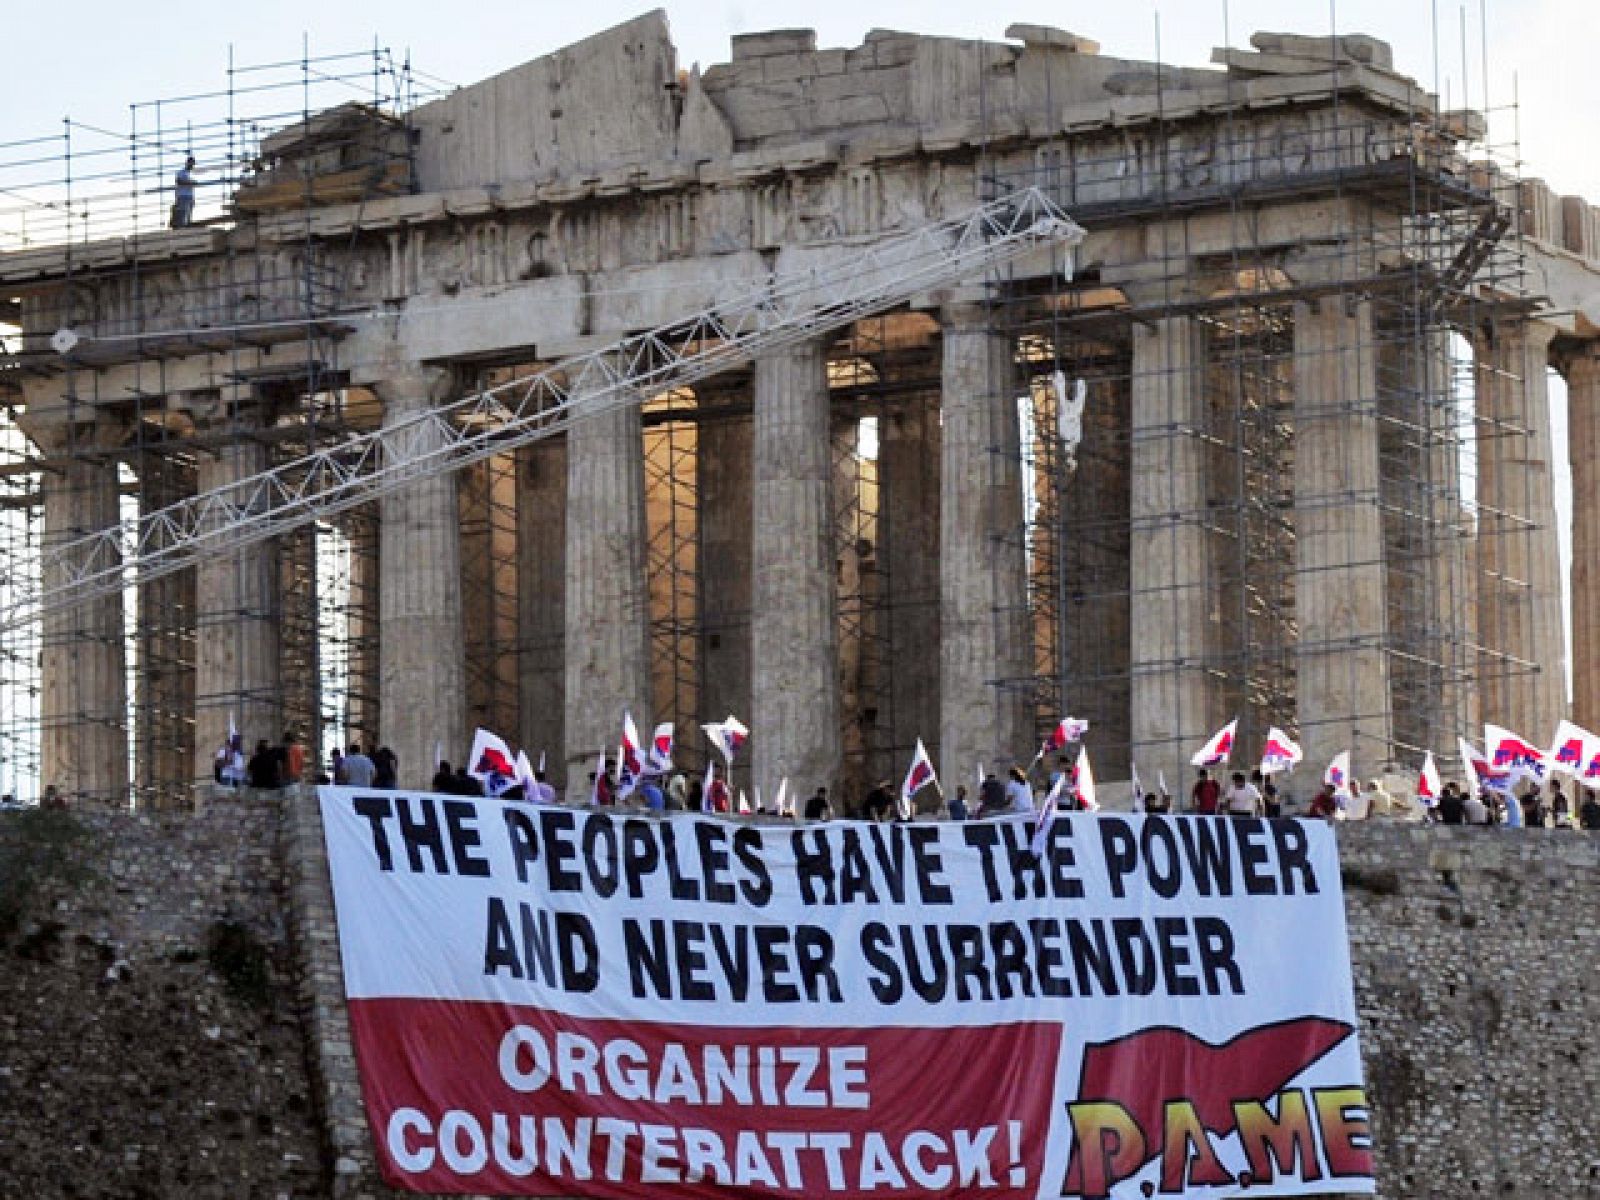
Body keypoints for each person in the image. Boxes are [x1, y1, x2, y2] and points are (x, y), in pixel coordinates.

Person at [171, 157, 198, 228]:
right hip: (183, 196)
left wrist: (192, 183)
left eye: (193, 164)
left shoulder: (190, 174)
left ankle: (186, 227)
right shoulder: (181, 172)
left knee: (188, 215)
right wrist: (190, 183)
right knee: (182, 214)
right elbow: (179, 181)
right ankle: (181, 228)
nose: (192, 166)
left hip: (190, 196)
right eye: (191, 164)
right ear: (188, 163)